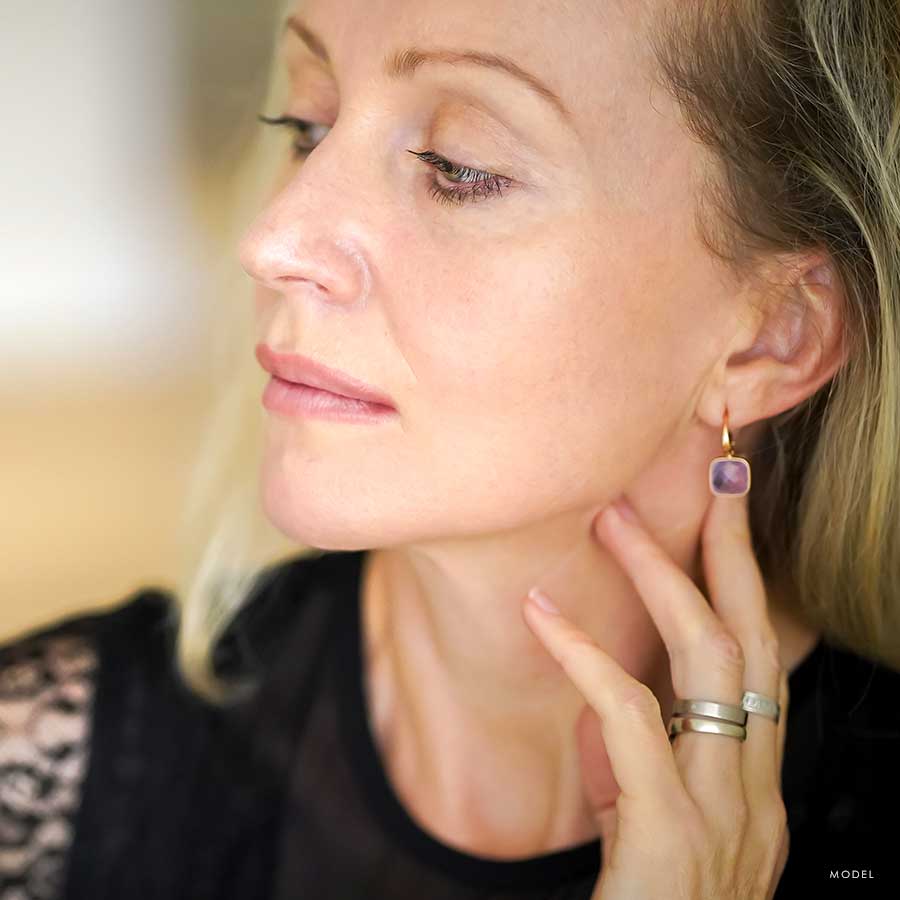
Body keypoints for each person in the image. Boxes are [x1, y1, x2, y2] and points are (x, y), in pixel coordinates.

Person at [2, 0, 899, 897]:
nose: (272, 241)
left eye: (457, 166)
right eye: (307, 126)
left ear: (772, 338)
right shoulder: (51, 771)